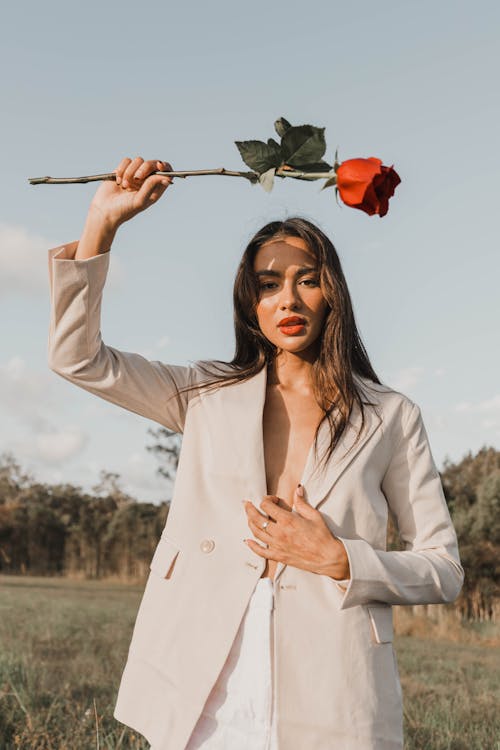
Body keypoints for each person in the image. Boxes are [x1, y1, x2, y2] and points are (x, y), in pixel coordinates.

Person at [47, 156, 464, 750]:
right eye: (268, 284)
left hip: (332, 679)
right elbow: (77, 359)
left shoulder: (392, 417)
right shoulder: (204, 393)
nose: (287, 298)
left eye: (307, 278)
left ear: (333, 293)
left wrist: (343, 559)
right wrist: (102, 226)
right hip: (206, 668)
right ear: (250, 303)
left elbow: (444, 569)